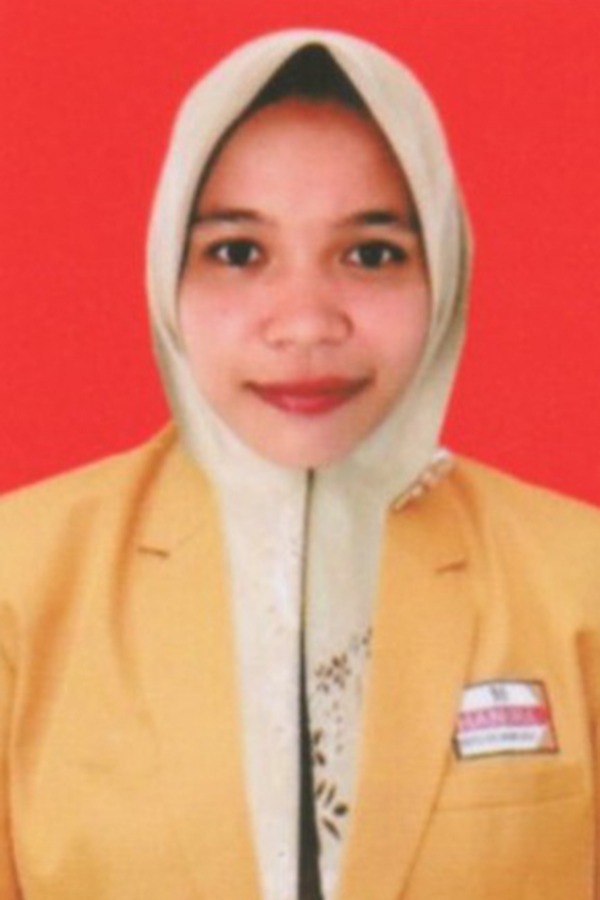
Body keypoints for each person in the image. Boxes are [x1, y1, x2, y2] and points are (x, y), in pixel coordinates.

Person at [1, 27, 599, 900]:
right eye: (239, 253)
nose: (306, 323)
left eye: (372, 254)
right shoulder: (20, 580)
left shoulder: (578, 577)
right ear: (168, 272)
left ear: (445, 270)